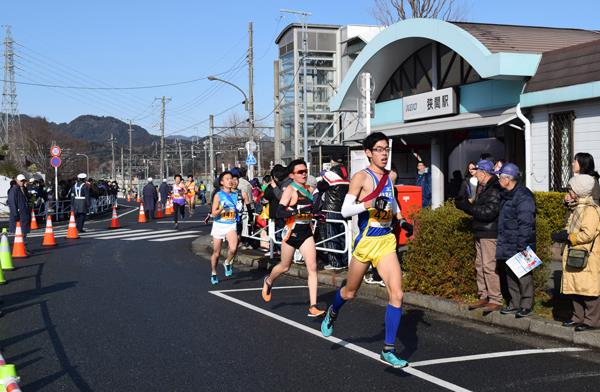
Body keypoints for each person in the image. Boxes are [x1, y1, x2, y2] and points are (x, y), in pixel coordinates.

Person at [320, 132, 413, 368]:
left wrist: (401, 219)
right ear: (369, 152)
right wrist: (367, 204)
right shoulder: (361, 177)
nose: (384, 154)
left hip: (385, 241)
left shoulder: (389, 178)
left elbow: (392, 203)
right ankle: (333, 311)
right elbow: (344, 211)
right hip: (365, 242)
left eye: (386, 149)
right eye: (379, 149)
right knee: (350, 292)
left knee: (397, 294)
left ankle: (388, 349)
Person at [262, 159, 326, 318]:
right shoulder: (290, 190)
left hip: (306, 232)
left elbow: (310, 210)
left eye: (305, 171)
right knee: (284, 266)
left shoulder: (308, 189)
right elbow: (279, 212)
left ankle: (313, 306)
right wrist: (294, 213)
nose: (304, 174)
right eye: (300, 172)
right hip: (292, 232)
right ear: (292, 175)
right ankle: (269, 280)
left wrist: (316, 215)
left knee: (312, 267)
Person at [552, 174, 600, 331]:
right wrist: (564, 234)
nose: (569, 191)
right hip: (576, 254)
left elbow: (588, 234)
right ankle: (577, 317)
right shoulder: (578, 207)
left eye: (571, 189)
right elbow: (571, 228)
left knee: (589, 290)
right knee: (575, 288)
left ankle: (592, 321)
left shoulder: (590, 210)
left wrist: (568, 237)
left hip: (587, 255)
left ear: (578, 191)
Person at [456, 160, 503, 313]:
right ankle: (484, 295)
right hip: (481, 231)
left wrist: (468, 207)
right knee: (480, 265)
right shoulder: (484, 187)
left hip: (489, 232)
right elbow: (480, 208)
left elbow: (489, 212)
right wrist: (466, 205)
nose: (475, 175)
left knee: (489, 266)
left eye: (477, 172)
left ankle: (495, 298)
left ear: (484, 172)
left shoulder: (494, 188)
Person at [495, 163, 537, 318]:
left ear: (508, 179)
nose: (498, 179)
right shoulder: (506, 194)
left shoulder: (523, 196)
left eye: (501, 176)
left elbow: (526, 223)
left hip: (520, 242)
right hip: (507, 241)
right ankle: (514, 303)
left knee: (523, 275)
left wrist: (523, 245)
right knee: (510, 275)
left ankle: (526, 305)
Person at [316, 162, 350, 270]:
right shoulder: (347, 183)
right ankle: (345, 261)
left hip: (330, 211)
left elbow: (320, 187)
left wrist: (324, 178)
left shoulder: (330, 181)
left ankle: (335, 263)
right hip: (344, 212)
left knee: (331, 237)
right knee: (344, 237)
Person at [209, 171, 240, 285]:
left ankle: (227, 262)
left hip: (231, 224)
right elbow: (213, 213)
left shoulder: (235, 195)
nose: (230, 180)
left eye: (231, 178)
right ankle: (213, 272)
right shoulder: (218, 195)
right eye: (227, 179)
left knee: (233, 248)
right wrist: (221, 209)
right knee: (216, 253)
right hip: (219, 225)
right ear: (222, 182)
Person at [231, 171, 252, 249]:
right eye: (233, 180)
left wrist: (251, 217)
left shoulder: (242, 193)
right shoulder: (225, 193)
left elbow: (248, 205)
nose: (235, 182)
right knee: (232, 240)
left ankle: (230, 258)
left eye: (236, 180)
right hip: (228, 220)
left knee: (237, 238)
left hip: (238, 219)